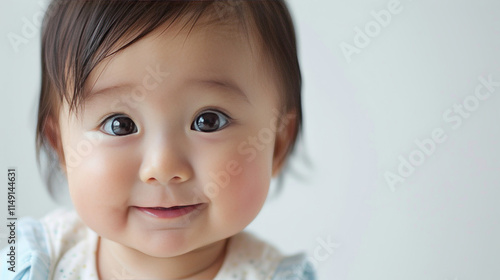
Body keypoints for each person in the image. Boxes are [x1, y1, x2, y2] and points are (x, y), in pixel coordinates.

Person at [1, 0, 315, 279]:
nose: (162, 166)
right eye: (120, 125)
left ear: (277, 144)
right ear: (61, 148)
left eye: (208, 122)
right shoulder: (36, 262)